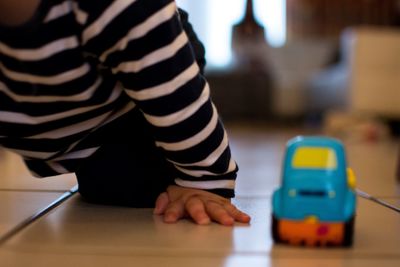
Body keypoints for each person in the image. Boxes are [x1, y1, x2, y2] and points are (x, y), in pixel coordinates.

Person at [0, 0, 251, 226]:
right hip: (64, 112)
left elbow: (174, 94)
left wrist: (205, 183)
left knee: (131, 189)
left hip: (144, 86)